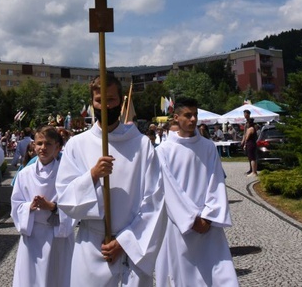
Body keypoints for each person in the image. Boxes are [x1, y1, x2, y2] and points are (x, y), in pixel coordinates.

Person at [56, 73, 166, 287]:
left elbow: (155, 201)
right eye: (99, 101)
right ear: (92, 103)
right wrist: (93, 176)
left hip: (132, 247)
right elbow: (65, 198)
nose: (105, 107)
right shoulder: (76, 145)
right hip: (91, 246)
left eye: (111, 100)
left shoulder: (141, 145)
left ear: (121, 101)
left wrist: (124, 242)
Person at [155, 98, 239, 286]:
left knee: (218, 275)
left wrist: (208, 217)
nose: (193, 119)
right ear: (176, 117)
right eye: (188, 115)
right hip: (179, 226)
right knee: (182, 276)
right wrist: (192, 219)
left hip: (208, 224)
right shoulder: (163, 151)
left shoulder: (208, 147)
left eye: (195, 115)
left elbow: (216, 181)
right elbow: (169, 190)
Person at [11, 126, 75, 287]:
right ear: (33, 146)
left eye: (48, 144)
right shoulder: (25, 174)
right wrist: (29, 207)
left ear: (58, 147)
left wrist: (53, 207)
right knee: (30, 279)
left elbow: (74, 206)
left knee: (57, 277)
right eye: (39, 143)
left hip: (57, 236)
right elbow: (16, 204)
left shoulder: (66, 175)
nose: (43, 148)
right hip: (32, 234)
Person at [241, 109, 258, 177]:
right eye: (244, 114)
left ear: (248, 114)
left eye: (246, 114)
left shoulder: (251, 125)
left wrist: (245, 142)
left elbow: (247, 135)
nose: (245, 115)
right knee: (250, 156)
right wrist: (243, 140)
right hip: (250, 141)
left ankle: (253, 170)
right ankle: (252, 169)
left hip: (250, 142)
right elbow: (244, 133)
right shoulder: (246, 124)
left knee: (252, 157)